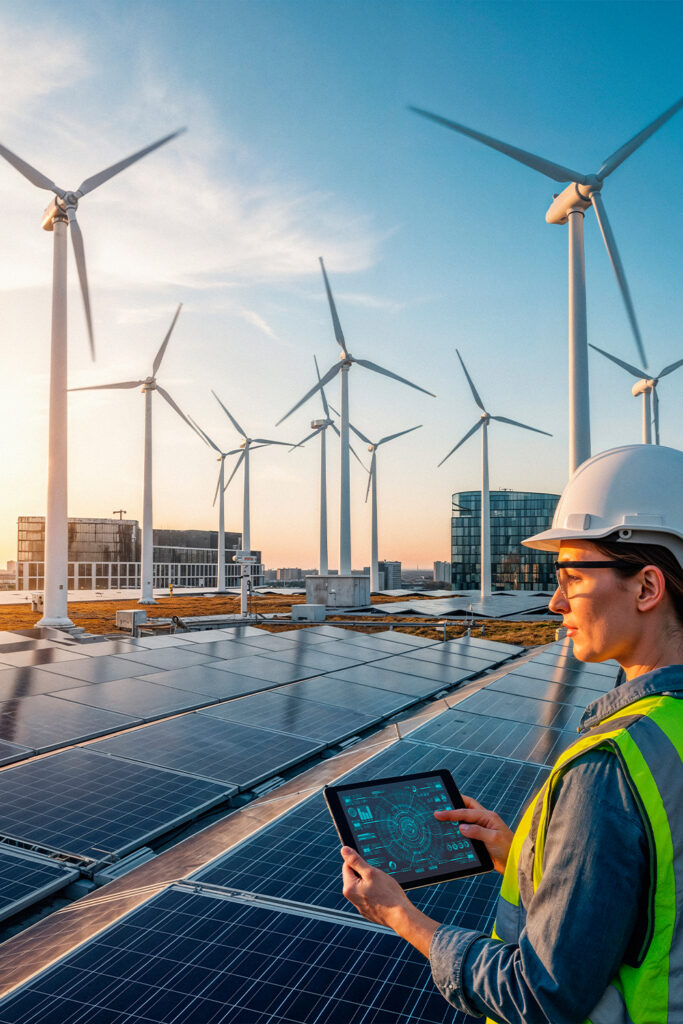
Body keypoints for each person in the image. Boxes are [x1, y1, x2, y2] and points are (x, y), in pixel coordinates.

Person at [340, 444, 683, 1023]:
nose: (554, 602)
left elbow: (540, 994)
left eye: (572, 577)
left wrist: (403, 917)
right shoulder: (664, 736)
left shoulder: (611, 767)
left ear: (647, 588)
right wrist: (521, 858)